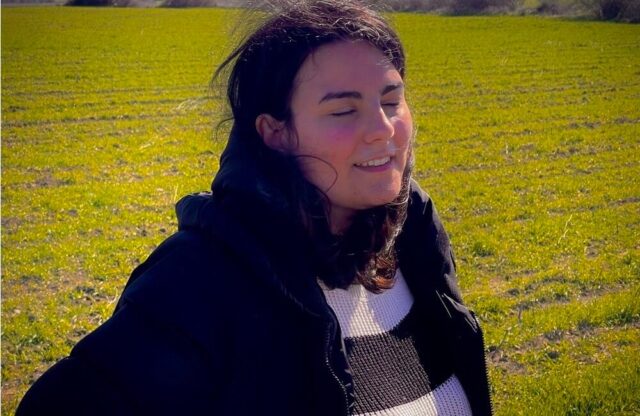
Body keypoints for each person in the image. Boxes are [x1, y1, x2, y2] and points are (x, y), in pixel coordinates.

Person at [17, 1, 492, 415]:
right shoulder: (200, 279)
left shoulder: (412, 233)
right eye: (344, 110)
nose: (384, 129)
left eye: (391, 101)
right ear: (276, 133)